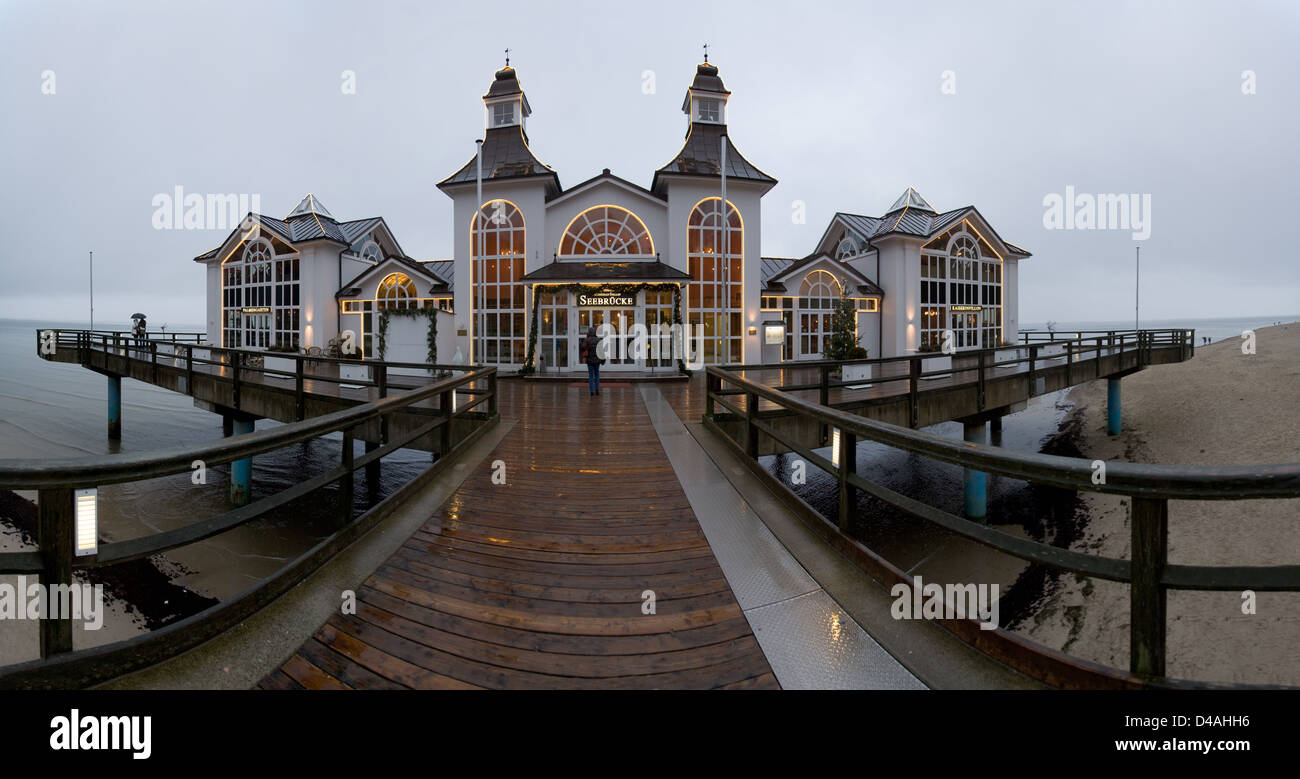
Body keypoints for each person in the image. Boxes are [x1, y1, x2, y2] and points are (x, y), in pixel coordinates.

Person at [583, 324, 603, 396]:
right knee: (597, 374)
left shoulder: (587, 340)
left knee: (591, 375)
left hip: (590, 361)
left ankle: (592, 391)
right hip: (597, 361)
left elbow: (583, 348)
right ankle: (597, 389)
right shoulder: (598, 340)